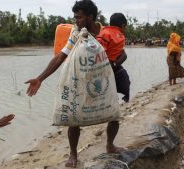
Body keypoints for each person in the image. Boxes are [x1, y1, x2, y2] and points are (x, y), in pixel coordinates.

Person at [25, 0, 125, 167]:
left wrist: (113, 64)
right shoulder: (75, 33)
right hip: (80, 81)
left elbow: (122, 54)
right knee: (73, 117)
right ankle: (73, 154)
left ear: (90, 17)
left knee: (113, 113)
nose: (76, 21)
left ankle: (110, 145)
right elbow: (61, 56)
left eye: (78, 18)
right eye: (74, 18)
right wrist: (40, 78)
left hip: (103, 79)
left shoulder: (106, 32)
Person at [96, 13, 131, 102]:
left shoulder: (104, 32)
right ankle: (125, 99)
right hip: (109, 66)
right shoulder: (119, 36)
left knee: (109, 88)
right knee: (124, 82)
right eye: (125, 27)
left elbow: (98, 51)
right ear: (123, 26)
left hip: (108, 66)